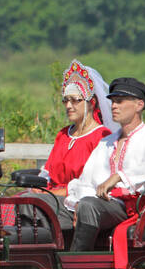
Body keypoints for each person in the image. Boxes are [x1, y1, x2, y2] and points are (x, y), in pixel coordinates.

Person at [66, 77, 145, 252]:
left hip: (134, 206)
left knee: (88, 206)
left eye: (119, 101)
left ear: (139, 105)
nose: (113, 106)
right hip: (100, 203)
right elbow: (86, 180)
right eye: (112, 102)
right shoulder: (107, 142)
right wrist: (77, 201)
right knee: (44, 205)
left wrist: (119, 176)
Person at [25, 60, 115, 232]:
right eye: (65, 100)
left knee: (30, 202)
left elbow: (94, 182)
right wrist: (40, 187)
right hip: (52, 195)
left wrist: (56, 193)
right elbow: (49, 171)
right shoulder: (63, 134)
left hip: (76, 199)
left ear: (91, 102)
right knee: (18, 200)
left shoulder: (101, 137)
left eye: (75, 100)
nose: (68, 106)